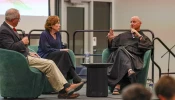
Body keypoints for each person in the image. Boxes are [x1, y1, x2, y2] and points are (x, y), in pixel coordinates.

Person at [0, 8, 84, 99]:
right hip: (20, 60)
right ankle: (66, 88)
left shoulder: (9, 29)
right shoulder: (4, 30)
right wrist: (22, 42)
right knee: (50, 63)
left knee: (59, 58)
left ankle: (64, 90)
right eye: (19, 19)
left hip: (23, 56)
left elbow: (15, 48)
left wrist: (29, 53)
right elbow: (10, 48)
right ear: (13, 19)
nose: (19, 21)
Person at [107, 16, 153, 95]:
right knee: (121, 50)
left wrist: (138, 35)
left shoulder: (143, 37)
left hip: (134, 58)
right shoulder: (123, 35)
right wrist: (110, 39)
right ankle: (129, 70)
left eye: (134, 22)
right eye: (131, 22)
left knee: (121, 52)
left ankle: (118, 85)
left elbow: (148, 47)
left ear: (140, 23)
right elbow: (112, 47)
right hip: (119, 56)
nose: (132, 23)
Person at [37, 16, 82, 84]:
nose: (59, 25)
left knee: (65, 54)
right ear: (51, 25)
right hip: (45, 55)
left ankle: (66, 79)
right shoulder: (44, 34)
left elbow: (60, 45)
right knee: (63, 54)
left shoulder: (58, 34)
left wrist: (64, 48)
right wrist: (60, 50)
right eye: (57, 23)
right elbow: (46, 49)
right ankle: (73, 75)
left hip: (56, 55)